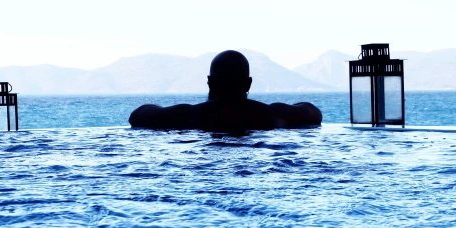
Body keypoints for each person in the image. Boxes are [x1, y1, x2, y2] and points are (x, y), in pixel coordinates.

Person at [129, 50, 322, 131]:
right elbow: (313, 113)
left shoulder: (188, 115)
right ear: (248, 84)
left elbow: (138, 116)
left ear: (210, 83)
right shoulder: (272, 114)